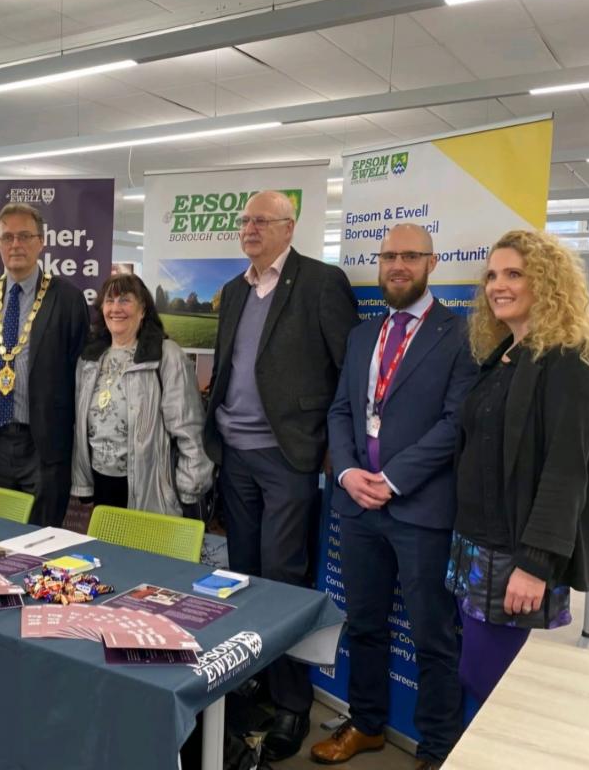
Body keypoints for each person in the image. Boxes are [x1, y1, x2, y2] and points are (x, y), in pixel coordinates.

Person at [204, 189, 358, 761]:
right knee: (243, 576)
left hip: (288, 456)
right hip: (235, 454)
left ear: (290, 228)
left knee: (285, 577)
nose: (250, 229)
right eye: (245, 220)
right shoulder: (233, 290)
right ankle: (252, 681)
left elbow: (347, 373)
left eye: (262, 221)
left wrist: (332, 450)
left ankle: (293, 701)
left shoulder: (320, 283)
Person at [314, 224, 475, 770]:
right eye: (388, 257)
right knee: (364, 624)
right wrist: (349, 474)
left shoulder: (460, 335)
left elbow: (457, 424)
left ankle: (437, 749)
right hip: (357, 507)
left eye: (410, 256)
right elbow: (340, 412)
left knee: (433, 637)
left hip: (420, 510)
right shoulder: (363, 336)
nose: (397, 265)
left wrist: (394, 478)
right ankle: (366, 724)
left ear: (432, 262)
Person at [447, 229, 589, 704]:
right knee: (474, 676)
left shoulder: (570, 363)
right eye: (492, 275)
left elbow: (566, 473)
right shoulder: (503, 357)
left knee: (488, 685)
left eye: (514, 273)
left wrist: (535, 567)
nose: (498, 285)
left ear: (546, 282)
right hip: (473, 546)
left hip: (515, 554)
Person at [0, 203, 90, 527]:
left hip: (43, 444)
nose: (15, 244)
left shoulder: (68, 299)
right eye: (7, 237)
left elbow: (78, 365)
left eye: (24, 236)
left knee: (41, 540)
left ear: (41, 242)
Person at [70, 273, 213, 514]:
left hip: (152, 488)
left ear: (143, 309)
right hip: (103, 483)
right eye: (109, 300)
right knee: (108, 551)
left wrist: (190, 489)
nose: (116, 308)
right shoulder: (89, 359)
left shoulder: (166, 355)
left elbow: (189, 429)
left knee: (145, 551)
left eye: (125, 300)